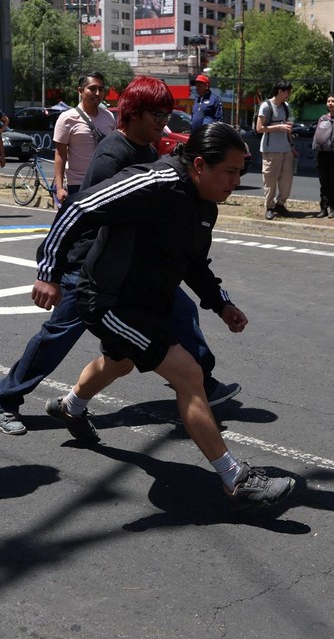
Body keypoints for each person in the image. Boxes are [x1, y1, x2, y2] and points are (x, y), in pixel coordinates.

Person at [32, 123, 295, 508]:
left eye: (241, 172)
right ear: (201, 164)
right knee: (188, 372)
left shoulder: (204, 205)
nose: (237, 182)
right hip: (107, 299)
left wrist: (221, 304)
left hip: (145, 301)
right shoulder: (153, 182)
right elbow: (79, 207)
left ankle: (69, 407)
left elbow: (192, 263)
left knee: (118, 363)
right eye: (231, 171)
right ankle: (235, 478)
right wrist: (49, 271)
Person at [0, 77, 239, 438]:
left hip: (132, 269)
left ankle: (197, 381)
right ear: (133, 112)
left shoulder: (148, 152)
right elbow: (87, 213)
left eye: (166, 113)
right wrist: (57, 272)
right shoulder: (115, 153)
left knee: (160, 328)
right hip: (92, 268)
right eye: (156, 113)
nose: (163, 120)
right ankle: (6, 399)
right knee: (56, 339)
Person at [52, 71, 116, 205]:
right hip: (78, 185)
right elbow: (60, 154)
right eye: (92, 89)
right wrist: (59, 187)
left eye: (100, 89)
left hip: (105, 183)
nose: (97, 93)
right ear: (80, 91)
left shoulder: (109, 117)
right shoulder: (67, 118)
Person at [256, 79, 294, 220]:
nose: (289, 94)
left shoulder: (286, 107)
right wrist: (278, 127)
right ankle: (269, 206)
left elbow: (289, 128)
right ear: (280, 91)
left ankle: (281, 204)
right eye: (287, 92)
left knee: (287, 181)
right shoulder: (266, 106)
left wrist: (292, 146)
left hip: (286, 149)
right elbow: (259, 128)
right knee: (270, 181)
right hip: (271, 149)